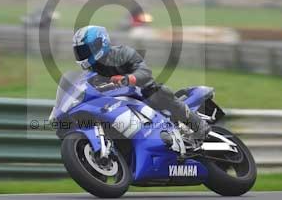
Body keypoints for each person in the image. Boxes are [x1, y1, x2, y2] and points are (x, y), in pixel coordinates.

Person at [72, 25, 211, 143]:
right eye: (80, 51)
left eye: (86, 50)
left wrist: (128, 78)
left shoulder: (123, 53)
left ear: (100, 43)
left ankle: (198, 125)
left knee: (160, 92)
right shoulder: (92, 71)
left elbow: (144, 71)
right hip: (119, 104)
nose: (83, 54)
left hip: (142, 95)